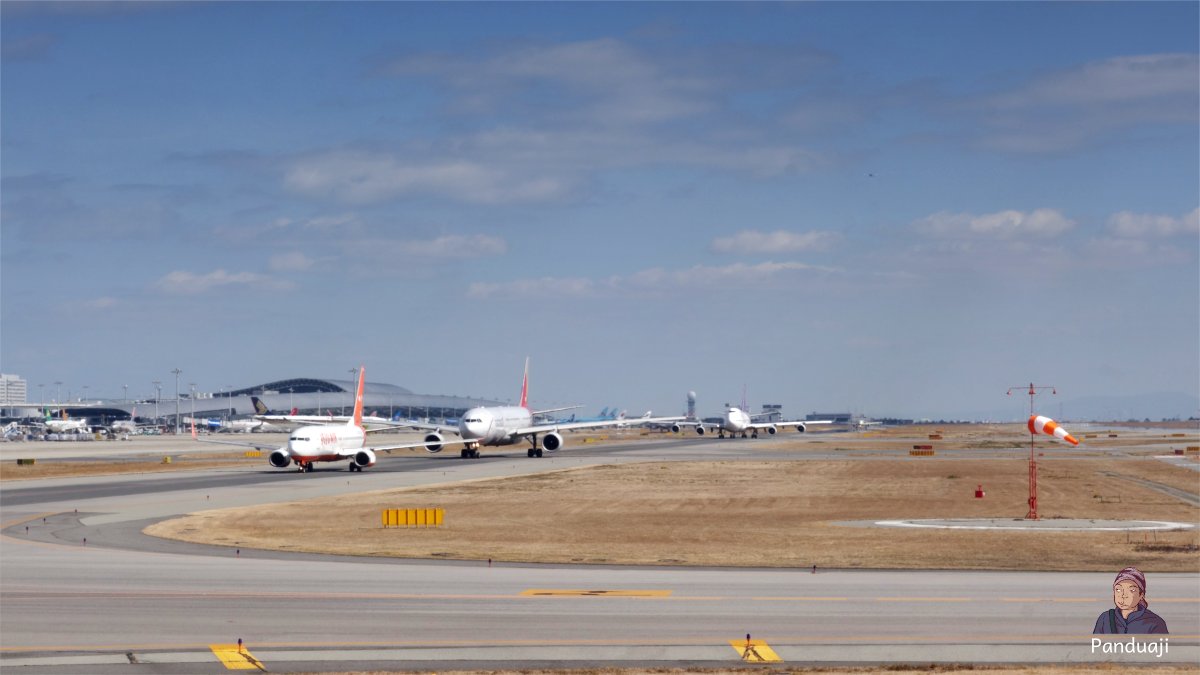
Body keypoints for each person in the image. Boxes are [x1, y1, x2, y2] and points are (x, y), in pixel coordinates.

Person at [1092, 566, 1168, 634]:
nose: (1123, 595)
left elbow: (1162, 648)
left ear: (1141, 595)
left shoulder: (1155, 623)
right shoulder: (1105, 619)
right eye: (1118, 589)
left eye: (1131, 590)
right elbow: (1095, 647)